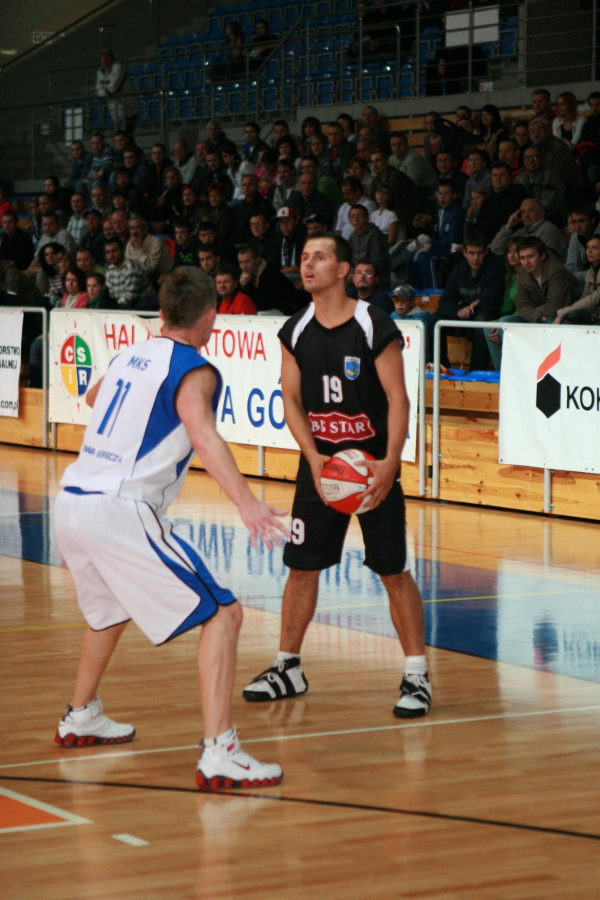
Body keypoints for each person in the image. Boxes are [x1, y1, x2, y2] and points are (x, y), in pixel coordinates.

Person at [53, 267, 285, 789]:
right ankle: (220, 751)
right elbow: (203, 436)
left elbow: (93, 398)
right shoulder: (193, 368)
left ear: (161, 314)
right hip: (119, 507)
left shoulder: (130, 354)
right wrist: (247, 503)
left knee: (108, 612)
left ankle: (80, 715)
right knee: (224, 614)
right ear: (211, 317)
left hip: (72, 500)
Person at [242, 233, 431, 717]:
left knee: (393, 570)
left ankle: (416, 675)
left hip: (372, 467)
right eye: (304, 257)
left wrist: (390, 462)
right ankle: (287, 667)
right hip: (322, 466)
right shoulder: (295, 329)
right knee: (301, 566)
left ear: (344, 269)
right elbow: (290, 399)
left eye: (320, 257)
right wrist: (311, 457)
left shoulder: (373, 323)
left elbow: (398, 398)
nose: (308, 265)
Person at [486, 237, 582, 370]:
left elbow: (555, 306)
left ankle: (542, 374)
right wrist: (537, 316)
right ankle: (504, 375)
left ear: (542, 256)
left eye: (530, 256)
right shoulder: (523, 272)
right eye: (522, 258)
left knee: (548, 326)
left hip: (566, 318)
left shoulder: (556, 271)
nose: (526, 262)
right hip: (539, 318)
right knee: (494, 326)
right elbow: (520, 305)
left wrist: (535, 314)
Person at [425, 232, 504, 370]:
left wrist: (472, 306)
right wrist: (458, 311)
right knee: (433, 320)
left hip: (484, 317)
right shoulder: (459, 270)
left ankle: (477, 373)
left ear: (486, 252)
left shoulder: (495, 270)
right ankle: (440, 368)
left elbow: (491, 303)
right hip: (463, 317)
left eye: (479, 253)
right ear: (465, 253)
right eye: (472, 253)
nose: (476, 258)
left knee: (482, 323)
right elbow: (445, 301)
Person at [555, 235, 600, 324]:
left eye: (594, 248)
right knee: (569, 317)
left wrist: (566, 311)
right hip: (594, 316)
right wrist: (567, 312)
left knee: (570, 315)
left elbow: (594, 298)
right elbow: (584, 297)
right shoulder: (590, 272)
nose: (589, 251)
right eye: (587, 248)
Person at [347, 204, 392, 288]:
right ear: (349, 220)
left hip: (376, 277)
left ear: (367, 218)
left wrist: (359, 274)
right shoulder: (352, 237)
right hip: (359, 274)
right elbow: (350, 261)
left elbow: (378, 262)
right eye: (353, 217)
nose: (356, 220)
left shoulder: (374, 234)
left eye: (360, 216)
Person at [96, 50, 138, 133]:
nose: (105, 60)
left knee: (127, 136)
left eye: (107, 57)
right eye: (103, 57)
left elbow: (113, 88)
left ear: (112, 58)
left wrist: (104, 92)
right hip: (114, 110)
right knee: (119, 136)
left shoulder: (118, 67)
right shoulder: (100, 71)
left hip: (128, 109)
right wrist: (105, 92)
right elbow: (98, 89)